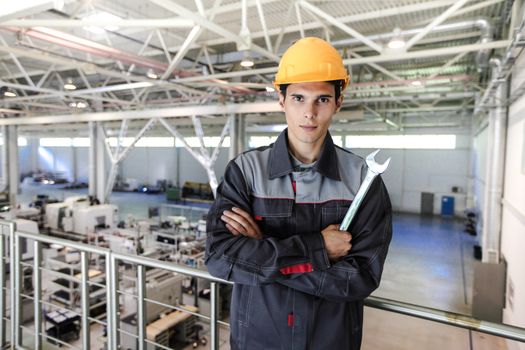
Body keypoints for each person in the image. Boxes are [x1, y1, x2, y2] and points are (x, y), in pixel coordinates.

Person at [205, 37, 392, 350]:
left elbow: (359, 278)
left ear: (338, 101)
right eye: (298, 98)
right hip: (257, 341)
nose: (309, 113)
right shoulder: (246, 172)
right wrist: (317, 249)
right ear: (281, 99)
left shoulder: (363, 179)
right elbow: (220, 258)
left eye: (321, 99)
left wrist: (263, 251)